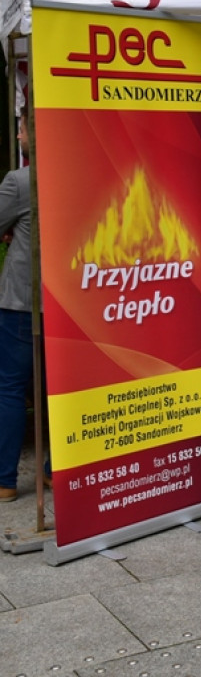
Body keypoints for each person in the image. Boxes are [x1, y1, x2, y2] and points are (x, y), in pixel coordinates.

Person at [0, 116, 35, 502]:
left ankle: (4, 481)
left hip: (23, 303)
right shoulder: (76, 175)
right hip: (68, 302)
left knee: (9, 388)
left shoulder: (19, 181)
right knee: (57, 390)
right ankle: (52, 471)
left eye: (23, 128)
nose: (19, 135)